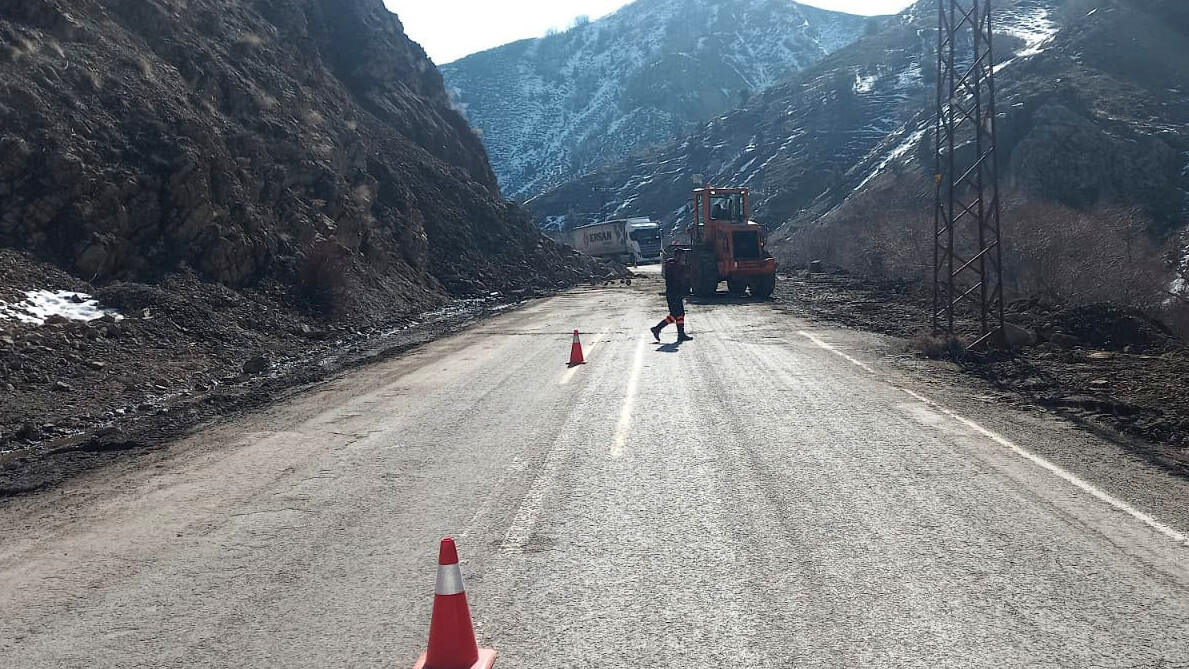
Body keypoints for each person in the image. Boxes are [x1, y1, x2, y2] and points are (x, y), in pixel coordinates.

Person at [651, 250, 693, 343]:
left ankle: (681, 334)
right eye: (682, 256)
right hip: (673, 293)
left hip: (677, 293)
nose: (683, 258)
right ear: (677, 256)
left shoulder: (677, 265)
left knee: (680, 314)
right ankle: (657, 328)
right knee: (674, 314)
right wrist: (682, 267)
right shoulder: (672, 265)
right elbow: (676, 278)